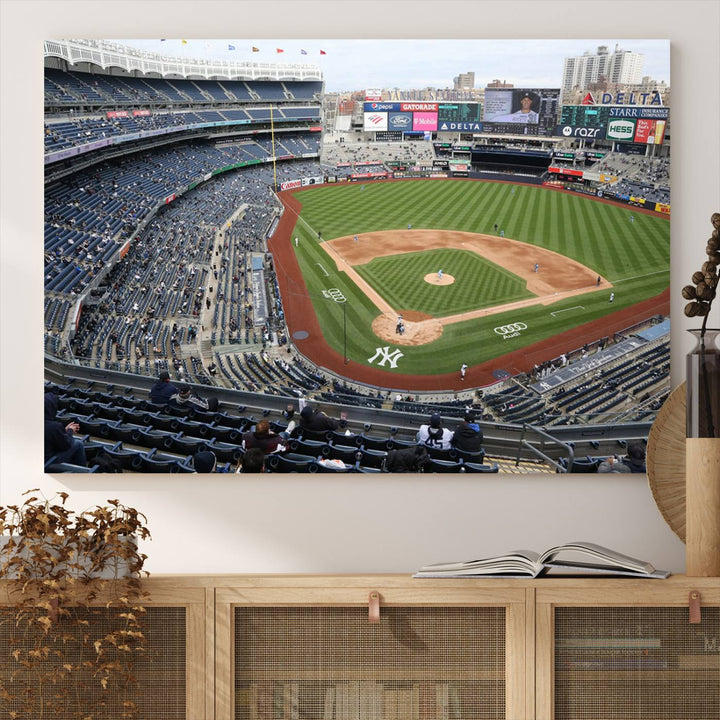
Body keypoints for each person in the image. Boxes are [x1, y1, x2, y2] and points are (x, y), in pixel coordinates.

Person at [44, 392, 87, 467]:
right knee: (78, 444)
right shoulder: (54, 427)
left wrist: (63, 431)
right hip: (47, 462)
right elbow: (65, 445)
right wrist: (70, 431)